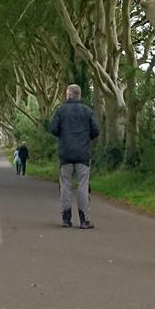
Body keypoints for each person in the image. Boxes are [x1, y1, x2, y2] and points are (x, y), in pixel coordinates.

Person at [50, 84, 100, 229]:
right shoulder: (87, 111)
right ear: (79, 95)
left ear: (68, 94)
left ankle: (66, 219)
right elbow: (96, 130)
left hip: (65, 153)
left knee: (65, 185)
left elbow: (54, 129)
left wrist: (64, 135)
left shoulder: (61, 111)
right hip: (83, 153)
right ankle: (84, 220)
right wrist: (85, 138)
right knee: (83, 186)